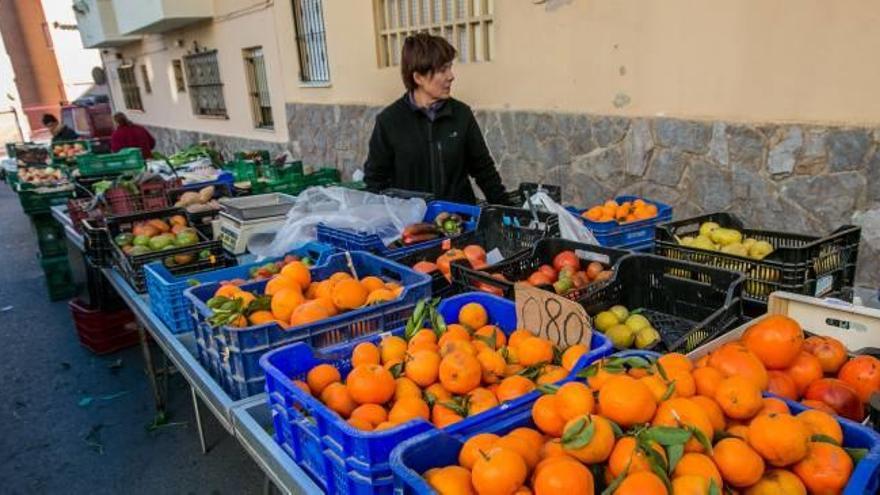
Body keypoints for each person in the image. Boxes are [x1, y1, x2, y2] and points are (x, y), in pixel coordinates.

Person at [364, 33, 508, 205]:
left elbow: (484, 170)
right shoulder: (389, 121)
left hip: (459, 222)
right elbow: (375, 182)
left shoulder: (462, 114)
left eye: (450, 67)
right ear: (418, 78)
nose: (451, 76)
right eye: (442, 70)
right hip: (414, 226)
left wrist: (506, 210)